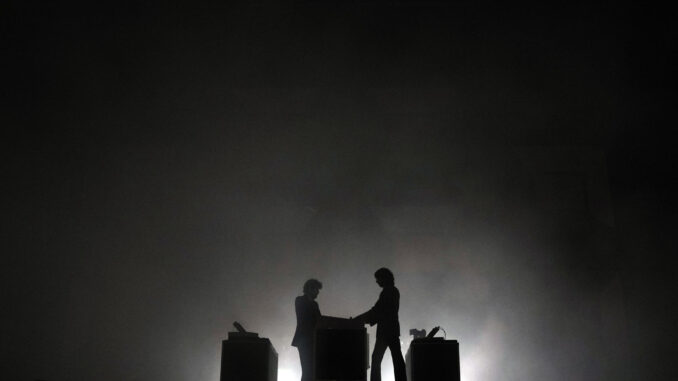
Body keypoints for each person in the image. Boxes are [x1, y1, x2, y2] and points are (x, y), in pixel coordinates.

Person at [354, 268, 407, 381]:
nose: (377, 281)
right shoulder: (393, 291)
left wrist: (358, 319)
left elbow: (377, 311)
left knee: (377, 359)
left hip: (385, 331)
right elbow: (379, 311)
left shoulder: (387, 292)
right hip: (391, 330)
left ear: (384, 278)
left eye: (378, 279)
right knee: (397, 359)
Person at [292, 278, 322, 381]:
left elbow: (320, 321)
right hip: (304, 339)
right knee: (307, 369)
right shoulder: (300, 300)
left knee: (312, 370)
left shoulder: (314, 304)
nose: (318, 292)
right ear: (310, 288)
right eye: (316, 289)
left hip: (312, 340)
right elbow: (305, 318)